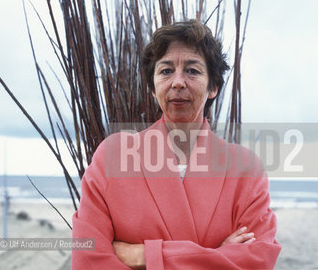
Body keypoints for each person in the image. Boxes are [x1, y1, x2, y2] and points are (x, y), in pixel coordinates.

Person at [72, 19, 281, 269]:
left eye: (192, 71)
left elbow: (258, 259)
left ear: (213, 87)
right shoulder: (114, 155)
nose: (178, 82)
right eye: (166, 71)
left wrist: (146, 256)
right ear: (153, 87)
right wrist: (215, 256)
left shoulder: (246, 168)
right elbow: (88, 260)